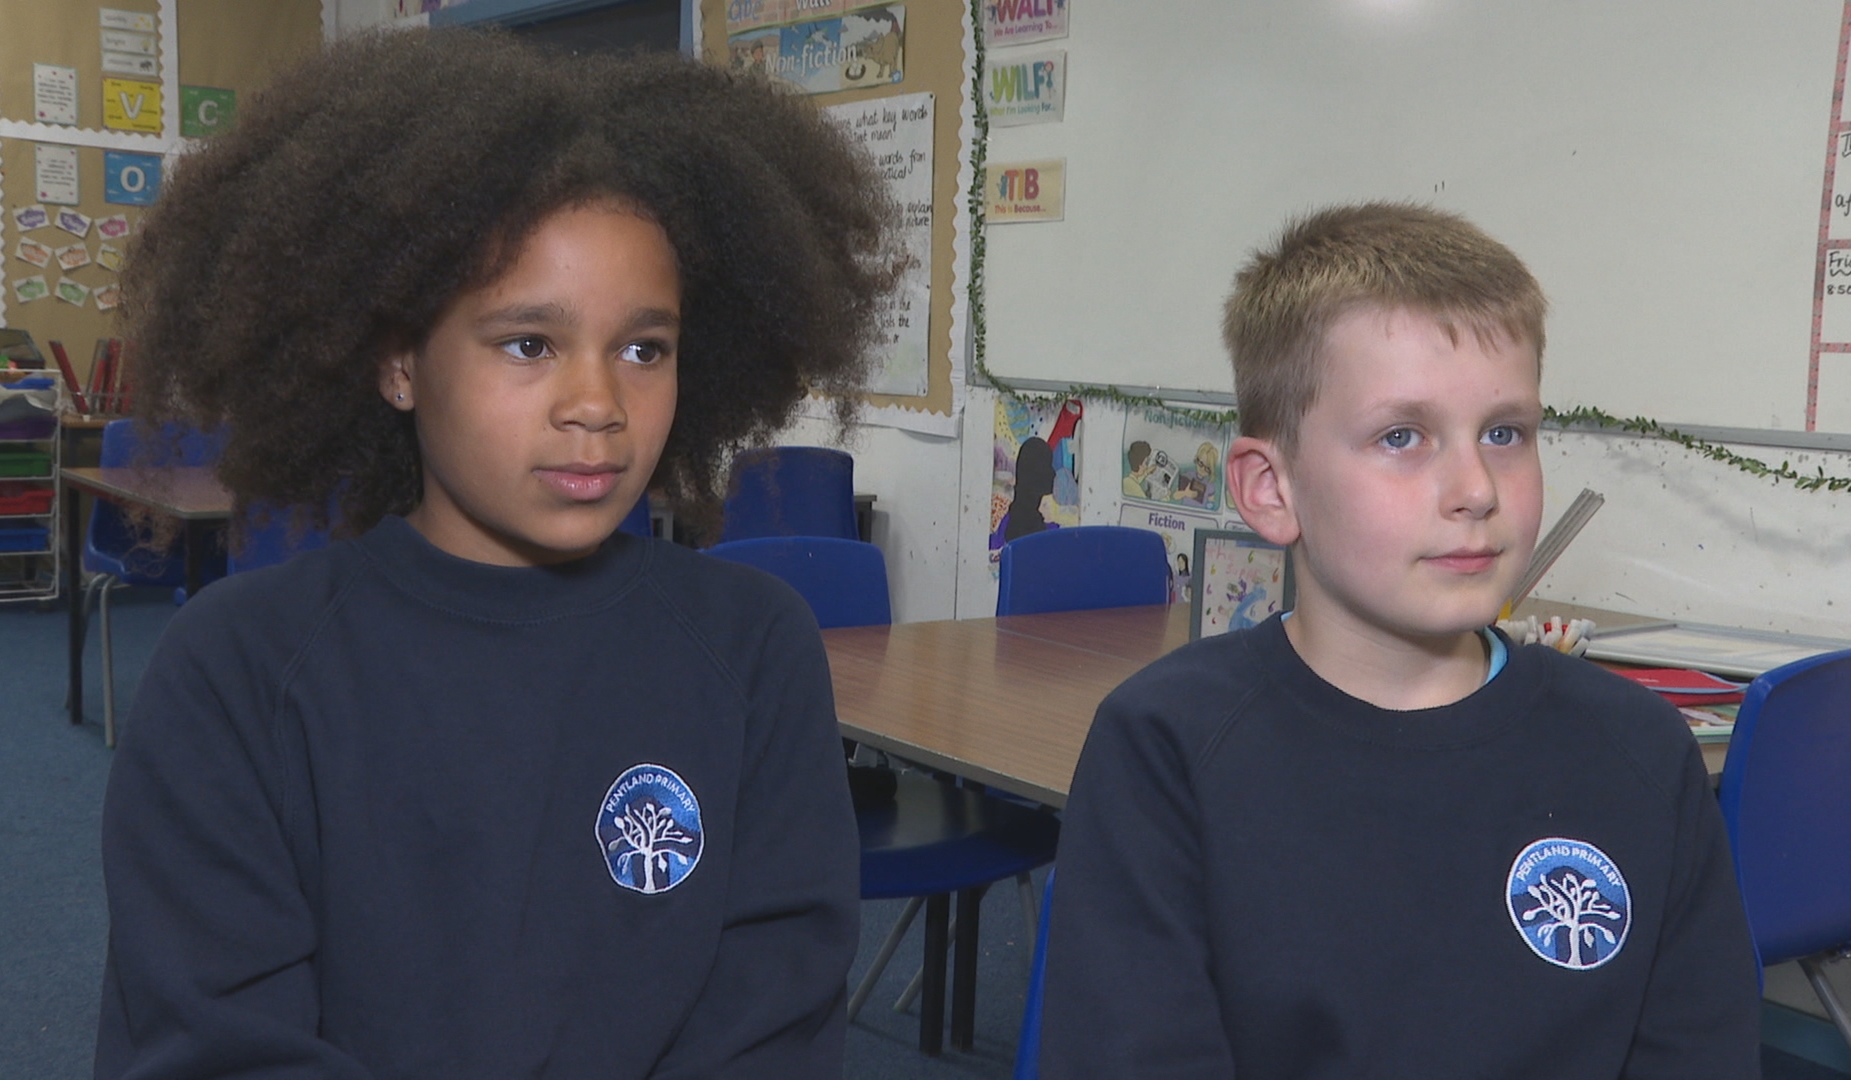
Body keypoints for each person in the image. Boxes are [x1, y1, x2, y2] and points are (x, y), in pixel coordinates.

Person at [95, 29, 901, 1080]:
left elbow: (774, 1021)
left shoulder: (752, 651)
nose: (596, 406)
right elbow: (210, 1045)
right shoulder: (239, 671)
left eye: (642, 349)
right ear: (397, 364)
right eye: (529, 343)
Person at [1040, 203, 1759, 1079]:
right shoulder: (1166, 749)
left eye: (1507, 433)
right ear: (1271, 489)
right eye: (1401, 437)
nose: (1474, 487)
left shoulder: (1638, 751)